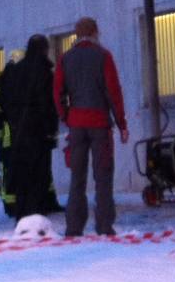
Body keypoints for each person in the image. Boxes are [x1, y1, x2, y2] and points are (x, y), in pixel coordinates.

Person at [54, 17, 129, 237]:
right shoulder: (103, 57)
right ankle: (104, 225)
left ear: (76, 34)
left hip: (76, 124)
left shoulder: (65, 59)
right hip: (99, 124)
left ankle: (74, 226)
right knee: (103, 175)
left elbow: (57, 92)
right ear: (95, 31)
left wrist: (66, 116)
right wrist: (121, 123)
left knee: (77, 176)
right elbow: (113, 92)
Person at [0, 35, 60, 228]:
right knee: (39, 174)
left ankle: (22, 213)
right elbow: (48, 103)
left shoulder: (15, 71)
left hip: (19, 131)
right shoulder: (44, 71)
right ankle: (36, 213)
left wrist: (15, 121)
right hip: (39, 132)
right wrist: (51, 130)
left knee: (23, 174)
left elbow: (5, 100)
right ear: (44, 49)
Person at [0, 49, 24, 218]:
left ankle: (10, 202)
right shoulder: (10, 81)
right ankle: (11, 203)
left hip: (4, 132)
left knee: (7, 167)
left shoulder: (0, 80)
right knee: (10, 167)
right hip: (9, 131)